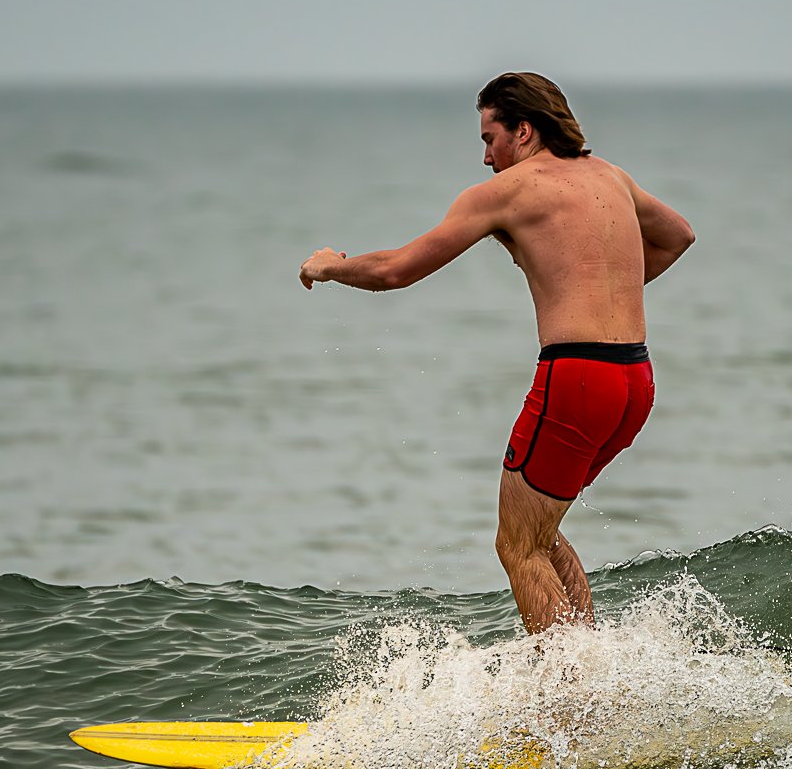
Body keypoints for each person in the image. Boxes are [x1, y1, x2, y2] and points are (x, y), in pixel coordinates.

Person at [298, 73, 695, 634]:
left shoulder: (508, 192)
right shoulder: (613, 178)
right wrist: (603, 286)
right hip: (635, 381)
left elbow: (395, 271)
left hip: (576, 380)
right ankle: (591, 675)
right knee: (540, 528)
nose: (486, 157)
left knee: (517, 546)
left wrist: (328, 265)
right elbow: (679, 234)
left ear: (524, 131)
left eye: (490, 138)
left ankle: (565, 702)